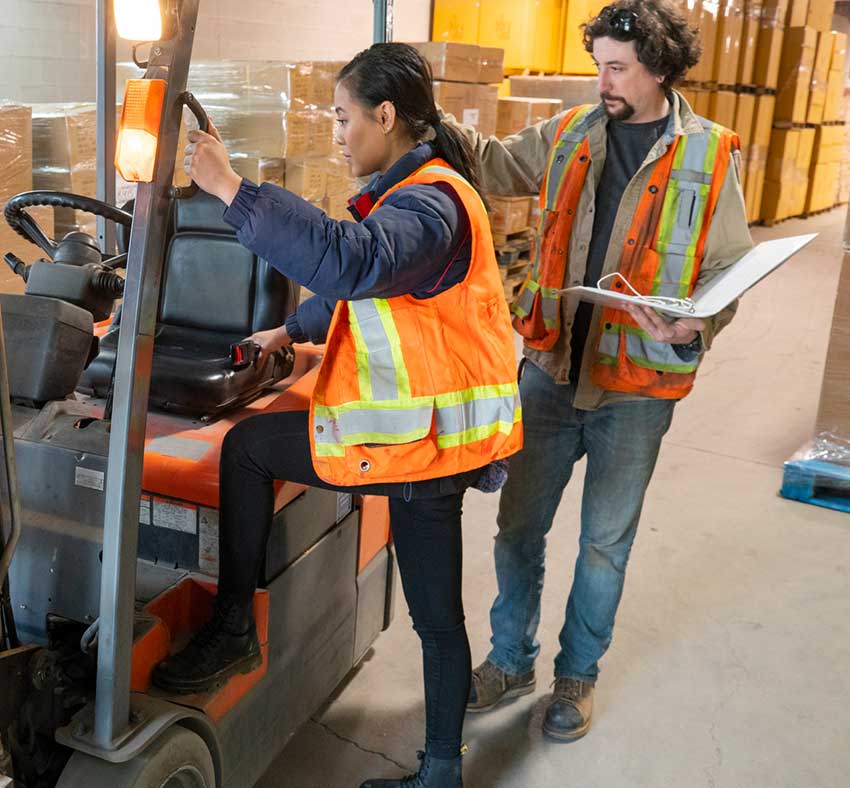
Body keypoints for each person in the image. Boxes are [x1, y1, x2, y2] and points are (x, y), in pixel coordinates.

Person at [153, 43, 523, 788]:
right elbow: (369, 286)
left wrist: (231, 189)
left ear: (385, 116)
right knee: (437, 620)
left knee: (251, 451)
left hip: (421, 451)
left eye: (343, 118)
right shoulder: (413, 193)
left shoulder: (432, 202)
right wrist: (287, 332)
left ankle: (235, 631)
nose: (337, 134)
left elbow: (353, 263)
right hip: (421, 444)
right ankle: (441, 771)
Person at [451, 0, 755, 742]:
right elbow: (491, 162)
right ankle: (509, 660)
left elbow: (729, 267)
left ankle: (576, 677)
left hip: (635, 389)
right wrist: (429, 115)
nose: (603, 82)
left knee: (603, 544)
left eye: (617, 69)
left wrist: (699, 322)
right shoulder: (569, 134)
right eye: (600, 66)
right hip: (551, 368)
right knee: (517, 529)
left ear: (659, 69)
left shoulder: (709, 154)